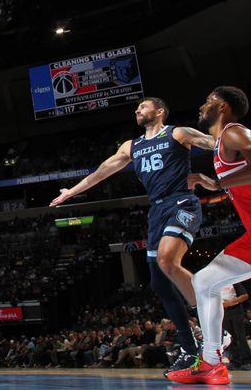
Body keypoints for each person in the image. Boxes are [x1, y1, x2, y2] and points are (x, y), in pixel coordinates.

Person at [50, 97, 215, 375]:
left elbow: (216, 143)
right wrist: (70, 193)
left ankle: (213, 323)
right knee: (160, 285)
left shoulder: (178, 133)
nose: (137, 109)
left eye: (143, 106)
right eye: (137, 107)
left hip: (181, 203)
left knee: (166, 259)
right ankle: (189, 351)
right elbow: (101, 173)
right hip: (156, 211)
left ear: (160, 111)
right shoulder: (131, 146)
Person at [168, 86, 251, 384]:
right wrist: (214, 183)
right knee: (204, 281)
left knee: (205, 282)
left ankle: (212, 359)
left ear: (224, 107)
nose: (202, 106)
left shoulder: (234, 132)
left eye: (209, 101)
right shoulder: (221, 144)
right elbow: (237, 177)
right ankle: (212, 361)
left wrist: (222, 179)